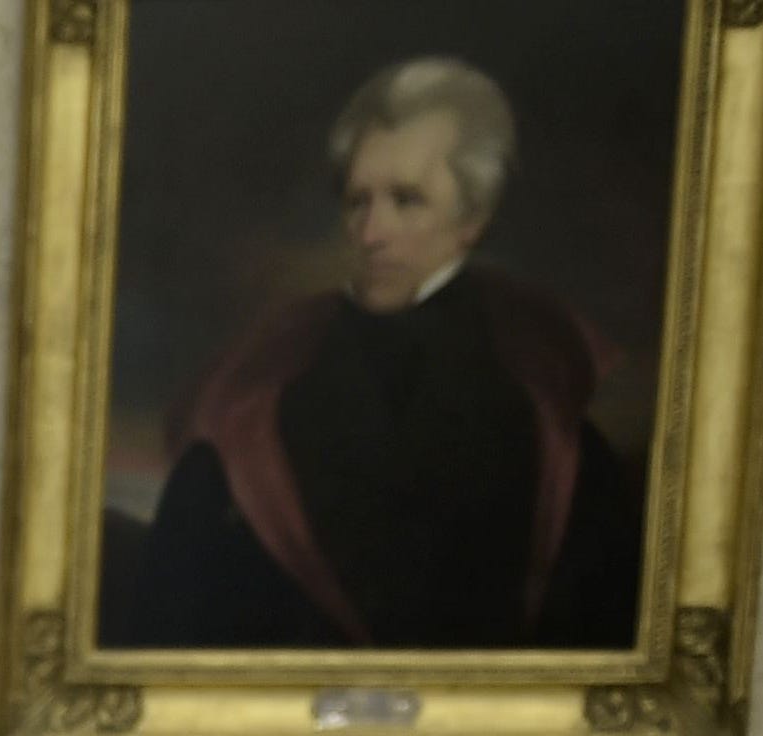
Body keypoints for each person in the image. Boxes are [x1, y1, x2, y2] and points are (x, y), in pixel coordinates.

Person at [118, 57, 643, 651]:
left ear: (473, 216)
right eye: (356, 202)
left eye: (406, 200)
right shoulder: (259, 391)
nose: (370, 234)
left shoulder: (548, 416)